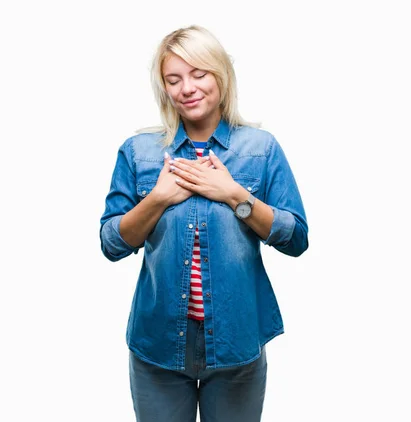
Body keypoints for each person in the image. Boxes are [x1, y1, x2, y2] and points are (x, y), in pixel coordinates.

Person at [99, 24, 308, 422]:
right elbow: (111, 243)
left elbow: (296, 237)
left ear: (220, 75)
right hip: (158, 343)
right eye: (173, 79)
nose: (187, 88)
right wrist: (158, 199)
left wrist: (235, 195)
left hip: (236, 340)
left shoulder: (260, 150)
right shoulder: (139, 152)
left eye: (199, 73)